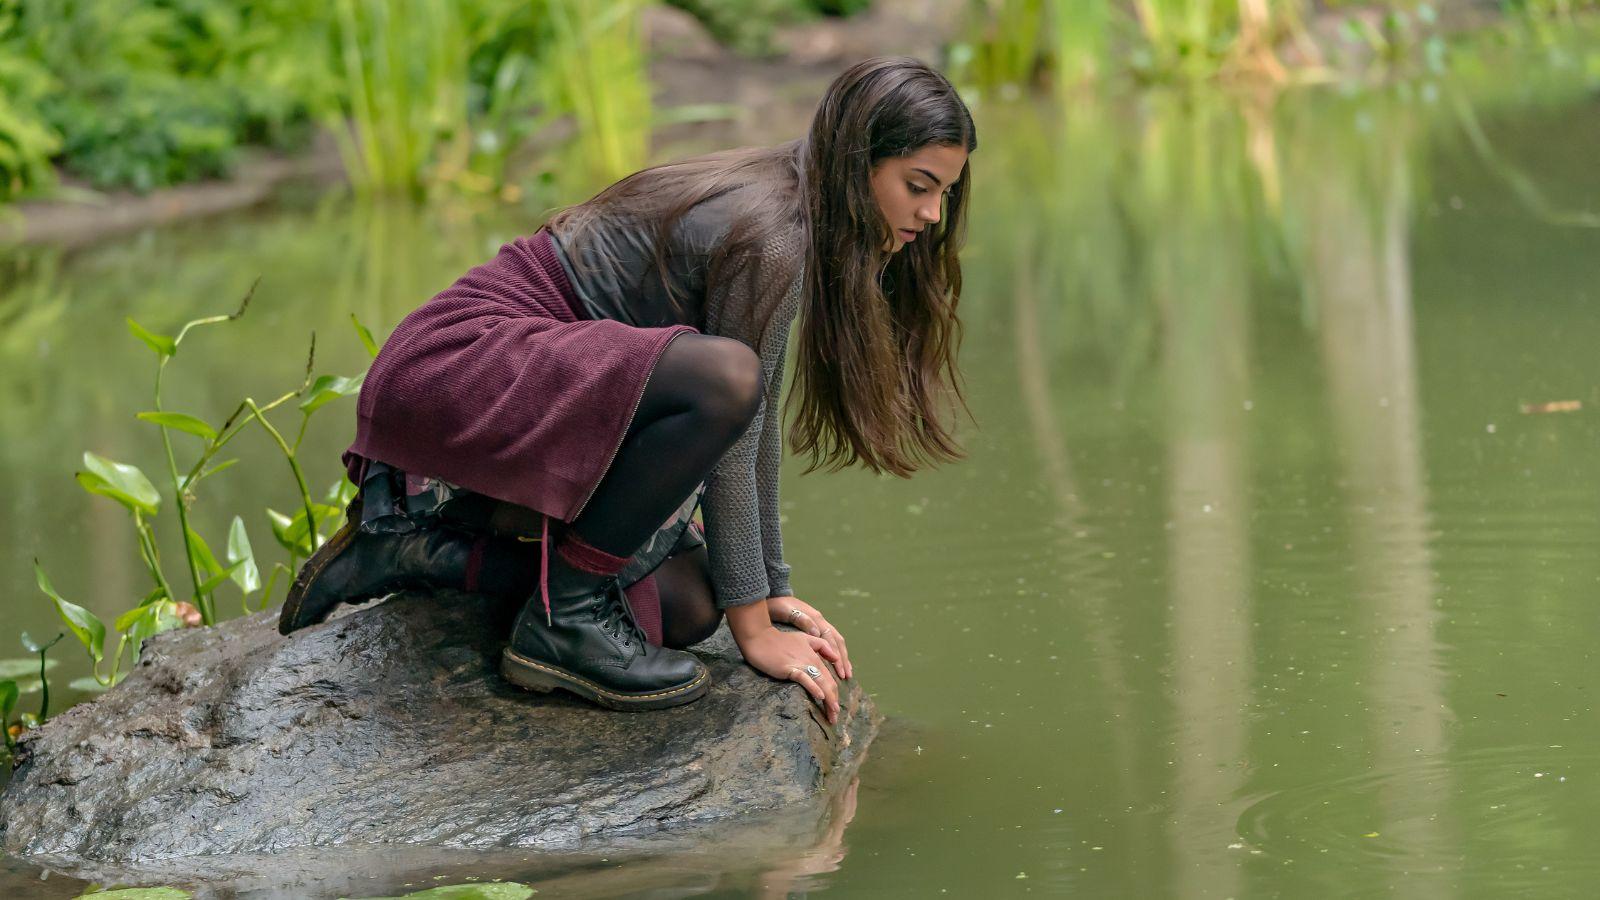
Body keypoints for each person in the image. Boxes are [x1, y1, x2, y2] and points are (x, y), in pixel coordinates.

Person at [276, 56, 975, 725]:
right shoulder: (775, 234)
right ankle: (566, 622)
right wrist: (756, 632)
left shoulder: (798, 204)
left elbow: (748, 437)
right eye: (918, 186)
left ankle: (415, 549)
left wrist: (768, 594)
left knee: (691, 605)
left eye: (944, 192)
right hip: (461, 361)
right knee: (727, 379)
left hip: (533, 384)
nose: (933, 215)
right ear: (859, 162)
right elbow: (737, 425)